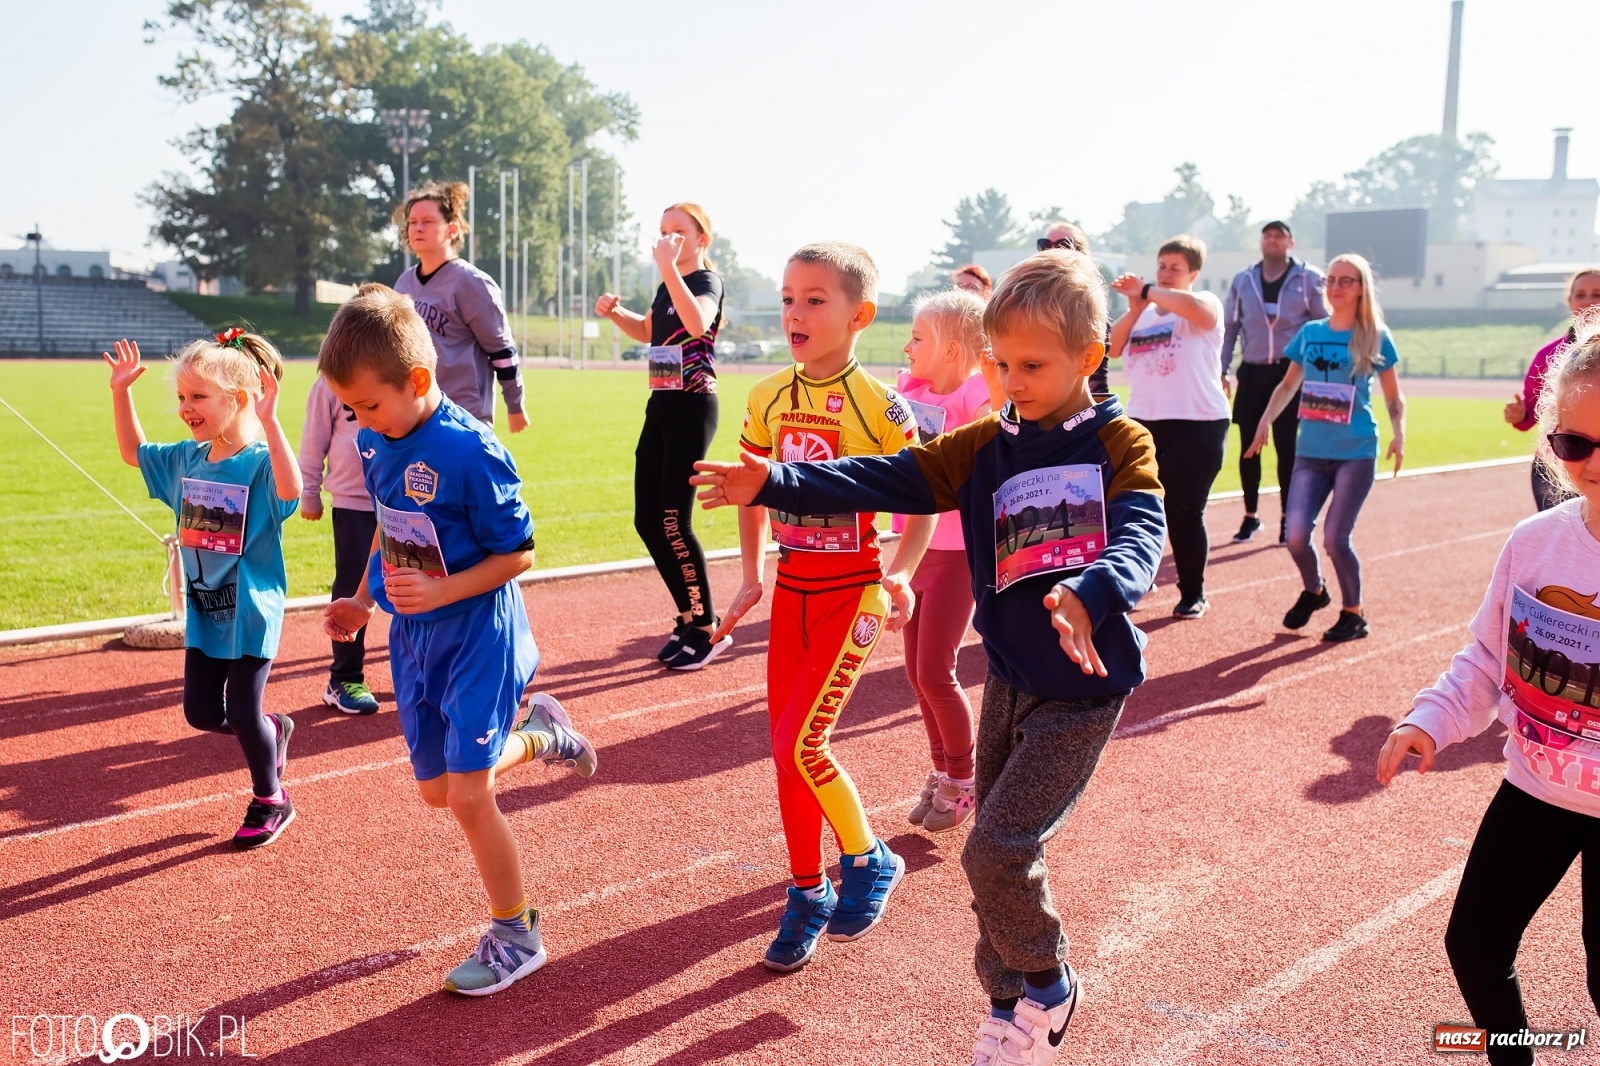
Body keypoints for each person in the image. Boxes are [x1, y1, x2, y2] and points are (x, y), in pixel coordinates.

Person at [694, 249, 1167, 1065]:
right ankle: (1006, 1004)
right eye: (1001, 363)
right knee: (995, 852)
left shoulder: (1120, 443)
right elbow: (887, 475)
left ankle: (1049, 987)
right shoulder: (986, 442)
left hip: (1085, 687)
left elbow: (1140, 533)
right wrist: (773, 480)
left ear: (1090, 358)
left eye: (1033, 365)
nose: (1012, 380)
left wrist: (1095, 591)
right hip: (1014, 677)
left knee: (997, 849)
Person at [318, 285, 598, 996]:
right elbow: (390, 526)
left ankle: (516, 934)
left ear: (418, 380)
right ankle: (541, 734)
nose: (359, 421)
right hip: (415, 642)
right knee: (438, 792)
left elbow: (521, 554)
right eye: (350, 410)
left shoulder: (472, 451)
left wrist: (443, 591)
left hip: (479, 636)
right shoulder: (379, 439)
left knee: (471, 798)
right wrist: (359, 599)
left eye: (369, 405)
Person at [1377, 317, 1600, 1066]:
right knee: (1472, 944)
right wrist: (1429, 722)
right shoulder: (1535, 543)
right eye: (1573, 444)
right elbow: (1485, 658)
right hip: (1538, 787)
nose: (1592, 462)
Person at [710, 242, 935, 974]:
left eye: (814, 299)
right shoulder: (765, 397)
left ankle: (868, 857)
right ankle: (807, 892)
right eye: (786, 298)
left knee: (802, 745)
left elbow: (924, 500)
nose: (795, 313)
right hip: (793, 594)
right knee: (786, 755)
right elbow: (749, 488)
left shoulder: (884, 407)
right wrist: (748, 575)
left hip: (855, 594)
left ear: (859, 315)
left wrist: (901, 574)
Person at [105, 331, 303, 849]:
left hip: (251, 612)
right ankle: (272, 730)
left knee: (239, 710)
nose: (185, 408)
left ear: (238, 399)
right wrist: (120, 391)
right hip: (206, 614)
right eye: (181, 398)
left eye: (198, 397)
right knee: (200, 713)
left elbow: (292, 490)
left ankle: (270, 798)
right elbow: (133, 452)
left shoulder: (260, 463)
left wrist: (273, 420)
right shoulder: (186, 460)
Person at [594, 203, 728, 669]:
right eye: (663, 231)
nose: (668, 238)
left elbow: (697, 324)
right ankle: (688, 616)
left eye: (678, 232)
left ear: (701, 239)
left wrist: (670, 268)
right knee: (646, 520)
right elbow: (652, 332)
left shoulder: (706, 282)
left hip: (693, 407)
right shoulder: (666, 283)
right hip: (662, 405)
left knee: (674, 520)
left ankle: (707, 628)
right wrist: (616, 313)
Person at [1245, 253, 1405, 642]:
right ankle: (1315, 591)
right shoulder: (1310, 333)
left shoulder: (1375, 337)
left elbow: (1393, 397)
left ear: (1361, 288)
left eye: (1346, 281)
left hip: (1356, 450)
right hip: (1311, 451)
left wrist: (1399, 432)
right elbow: (1287, 386)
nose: (1335, 287)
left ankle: (1354, 613)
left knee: (1335, 537)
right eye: (1331, 280)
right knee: (1295, 534)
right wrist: (1264, 421)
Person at [895, 288, 993, 833]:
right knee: (916, 673)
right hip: (916, 547)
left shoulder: (977, 398)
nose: (908, 347)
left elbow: (993, 434)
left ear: (953, 350)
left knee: (937, 669)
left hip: (956, 553)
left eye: (917, 337)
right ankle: (943, 771)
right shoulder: (910, 390)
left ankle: (964, 777)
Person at [1108, 235, 1231, 619]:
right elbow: (1112, 347)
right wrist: (1134, 306)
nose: (1166, 273)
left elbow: (1199, 311)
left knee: (1183, 509)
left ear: (1193, 272)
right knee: (1135, 505)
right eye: (1162, 266)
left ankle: (1193, 591)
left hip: (1198, 423)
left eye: (1175, 268)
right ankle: (1134, 579)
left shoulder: (1203, 303)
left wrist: (1148, 288)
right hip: (1146, 422)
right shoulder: (1145, 313)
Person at [1221, 221, 1329, 543]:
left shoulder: (1308, 278)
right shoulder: (1243, 280)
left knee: (1287, 448)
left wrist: (1317, 371)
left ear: (1290, 242)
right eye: (1267, 235)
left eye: (1279, 236)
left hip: (1290, 372)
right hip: (1252, 372)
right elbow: (1230, 327)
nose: (1272, 241)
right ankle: (1251, 516)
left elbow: (1321, 325)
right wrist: (1222, 368)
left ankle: (1287, 517)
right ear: (1260, 241)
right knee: (1248, 448)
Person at [392, 181, 527, 432]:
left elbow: (502, 352)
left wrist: (515, 404)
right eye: (412, 222)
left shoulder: (472, 283)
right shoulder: (403, 283)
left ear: (452, 229)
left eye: (427, 221)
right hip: (414, 415)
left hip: (462, 416)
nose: (417, 228)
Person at [298, 373, 380, 714]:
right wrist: (310, 491)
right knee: (353, 586)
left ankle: (422, 675)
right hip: (354, 502)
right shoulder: (330, 382)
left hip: (405, 499)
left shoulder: (392, 371)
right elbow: (313, 438)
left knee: (415, 585)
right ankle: (344, 677)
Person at [1504, 267, 1600, 511]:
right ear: (1569, 303)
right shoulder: (1548, 355)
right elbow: (1529, 415)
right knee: (1561, 540)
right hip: (1556, 465)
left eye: (1597, 294)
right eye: (1580, 295)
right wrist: (1520, 413)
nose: (1589, 301)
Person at [1037, 221, 1109, 399]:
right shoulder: (1032, 299)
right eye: (1045, 245)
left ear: (1082, 253)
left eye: (1063, 244)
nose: (1053, 250)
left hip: (1089, 408)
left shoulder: (1090, 299)